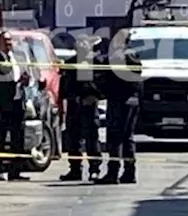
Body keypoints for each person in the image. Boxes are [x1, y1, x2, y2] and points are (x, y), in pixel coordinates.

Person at [0, 31, 30, 181]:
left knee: (18, 140)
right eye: (5, 41)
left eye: (10, 41)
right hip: (1, 106)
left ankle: (15, 171)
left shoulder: (19, 59)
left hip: (17, 104)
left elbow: (25, 78)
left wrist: (25, 80)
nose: (8, 43)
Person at [58, 35, 103, 182]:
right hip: (74, 107)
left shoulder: (97, 63)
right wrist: (72, 98)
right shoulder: (70, 64)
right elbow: (64, 87)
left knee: (92, 139)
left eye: (85, 45)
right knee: (73, 140)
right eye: (80, 45)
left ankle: (94, 169)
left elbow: (103, 84)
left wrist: (95, 96)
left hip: (90, 107)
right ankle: (75, 169)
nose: (82, 47)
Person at [95, 46, 142, 185]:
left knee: (115, 137)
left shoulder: (116, 57)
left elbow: (106, 78)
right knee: (127, 137)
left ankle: (113, 173)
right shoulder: (134, 55)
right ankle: (129, 172)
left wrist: (101, 92)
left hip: (119, 100)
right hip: (131, 99)